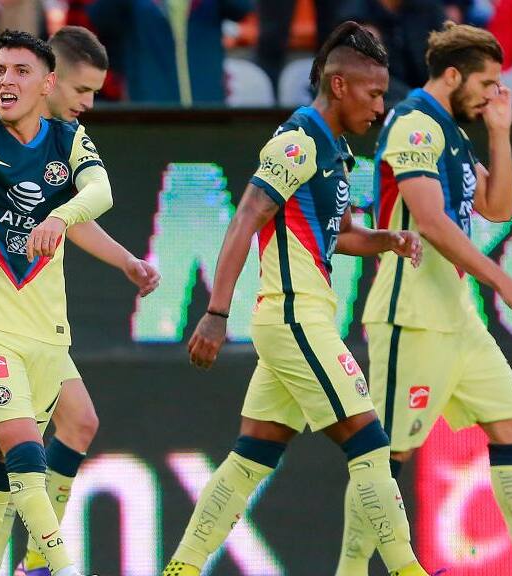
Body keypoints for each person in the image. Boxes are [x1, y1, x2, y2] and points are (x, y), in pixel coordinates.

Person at [161, 21, 435, 576]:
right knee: (370, 445)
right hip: (292, 315)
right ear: (339, 86)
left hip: (303, 316)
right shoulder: (297, 141)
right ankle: (408, 569)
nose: (380, 106)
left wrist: (385, 240)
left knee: (251, 457)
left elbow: (339, 234)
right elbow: (246, 217)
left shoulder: (334, 150)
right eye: (374, 93)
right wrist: (216, 313)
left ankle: (182, 568)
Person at [0, 26, 161, 576]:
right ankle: (53, 566)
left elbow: (91, 202)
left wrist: (122, 259)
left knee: (3, 460)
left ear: (44, 82)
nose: (6, 81)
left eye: (19, 71)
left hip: (45, 331)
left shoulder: (68, 141)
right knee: (24, 444)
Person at [334, 22, 512, 576]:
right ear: (451, 75)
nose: (495, 93)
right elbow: (431, 222)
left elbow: (498, 208)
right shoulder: (415, 125)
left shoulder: (452, 131)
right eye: (487, 83)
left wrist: (501, 132)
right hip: (411, 315)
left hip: (455, 314)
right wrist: (506, 284)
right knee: (385, 456)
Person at [87, 0, 252, 106]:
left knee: (207, 157)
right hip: (151, 113)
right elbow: (100, 16)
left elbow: (242, 7)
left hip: (208, 110)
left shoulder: (209, 5)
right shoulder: (137, 6)